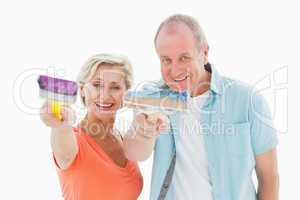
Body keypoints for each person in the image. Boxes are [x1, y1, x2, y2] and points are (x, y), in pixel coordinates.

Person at [124, 14, 279, 200]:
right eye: (166, 60)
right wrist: (145, 129)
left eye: (184, 58)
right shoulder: (152, 98)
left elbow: (269, 177)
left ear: (204, 53)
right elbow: (135, 153)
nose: (175, 70)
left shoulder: (248, 100)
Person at [40, 54, 143, 200]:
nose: (105, 95)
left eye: (115, 87)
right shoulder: (74, 140)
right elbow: (64, 153)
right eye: (97, 85)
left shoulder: (125, 140)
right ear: (82, 89)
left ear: (126, 93)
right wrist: (61, 124)